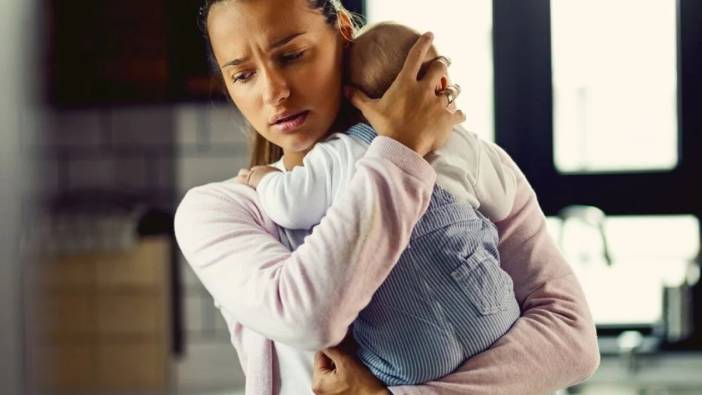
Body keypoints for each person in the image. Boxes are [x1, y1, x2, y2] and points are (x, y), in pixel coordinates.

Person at [174, 1, 600, 394]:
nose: (274, 92)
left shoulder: (468, 160)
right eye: (243, 74)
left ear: (342, 31)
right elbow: (309, 316)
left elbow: (572, 340)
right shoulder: (220, 211)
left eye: (291, 55)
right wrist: (397, 148)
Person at [239, 22, 521, 386]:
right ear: (438, 85)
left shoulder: (340, 152)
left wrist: (264, 180)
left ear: (350, 95)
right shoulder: (462, 144)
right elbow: (502, 204)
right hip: (495, 316)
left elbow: (290, 206)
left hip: (410, 352)